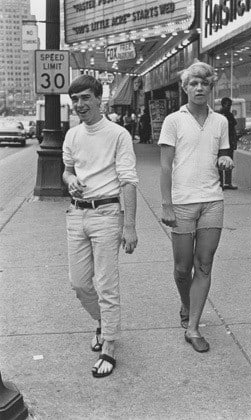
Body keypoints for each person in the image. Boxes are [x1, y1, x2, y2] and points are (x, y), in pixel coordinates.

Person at [62, 75, 138, 378]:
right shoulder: (72, 135)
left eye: (85, 98)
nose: (80, 105)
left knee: (107, 284)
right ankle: (103, 324)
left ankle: (109, 344)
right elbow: (67, 172)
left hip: (107, 214)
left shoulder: (118, 134)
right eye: (75, 100)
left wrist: (129, 226)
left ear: (99, 98)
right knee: (79, 283)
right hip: (77, 214)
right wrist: (72, 182)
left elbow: (128, 181)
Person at [158, 62, 234, 353]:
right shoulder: (173, 121)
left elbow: (223, 154)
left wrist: (226, 161)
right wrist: (166, 204)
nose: (199, 88)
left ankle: (193, 327)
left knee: (204, 264)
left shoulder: (221, 122)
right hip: (182, 203)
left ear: (211, 87)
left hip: (212, 201)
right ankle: (187, 303)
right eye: (194, 83)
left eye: (204, 83)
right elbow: (165, 166)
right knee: (182, 268)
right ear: (185, 87)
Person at [219, 97, 238, 190]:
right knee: (221, 163)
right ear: (223, 104)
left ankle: (227, 182)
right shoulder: (219, 115)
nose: (229, 107)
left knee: (229, 163)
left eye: (230, 105)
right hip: (222, 143)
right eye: (228, 105)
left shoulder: (229, 115)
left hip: (229, 142)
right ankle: (221, 183)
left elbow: (233, 130)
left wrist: (234, 142)